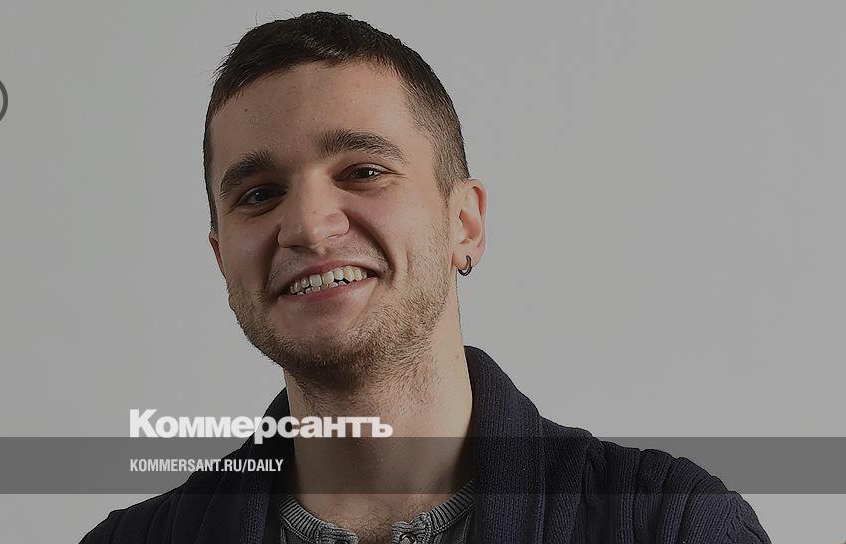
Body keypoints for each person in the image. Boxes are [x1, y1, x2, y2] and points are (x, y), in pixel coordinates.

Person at [81, 11, 771, 544]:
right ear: (221, 258)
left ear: (464, 223)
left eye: (363, 171)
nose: (309, 226)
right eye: (259, 194)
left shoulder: (670, 526)